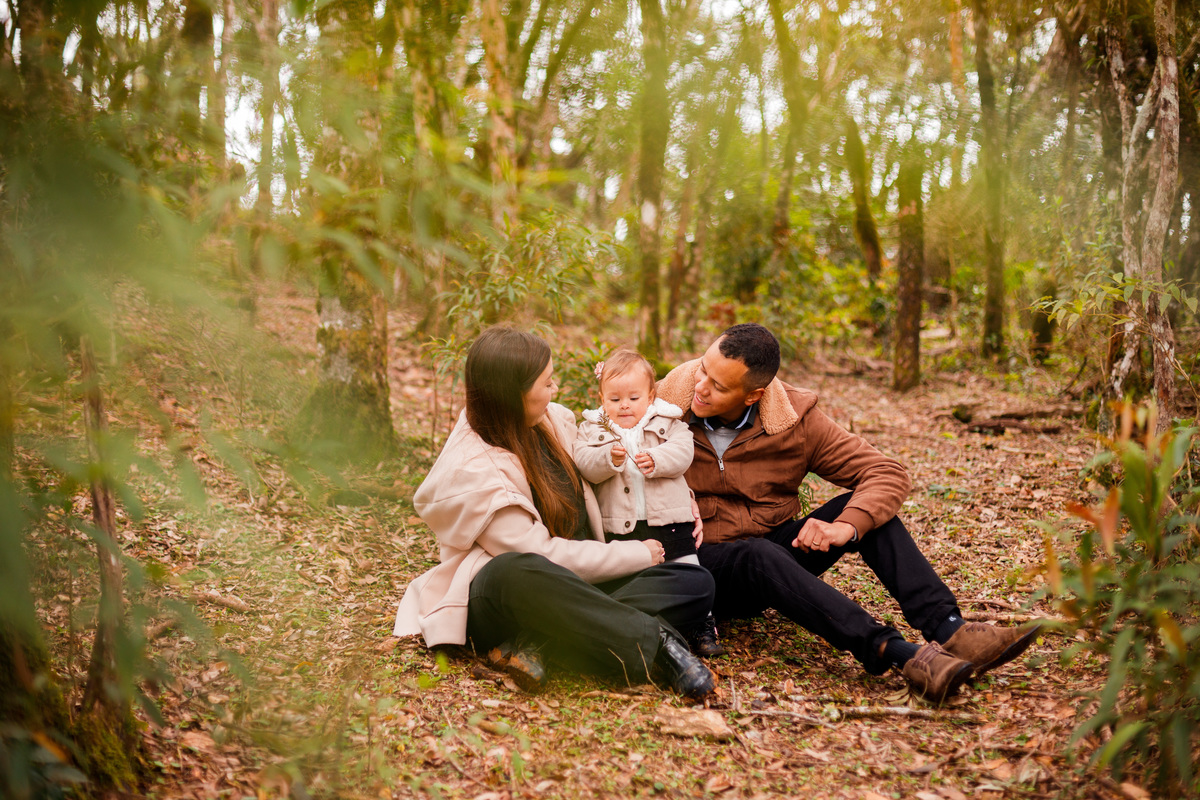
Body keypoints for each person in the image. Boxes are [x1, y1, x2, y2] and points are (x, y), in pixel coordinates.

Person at [656, 323, 1041, 703]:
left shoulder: (794, 421)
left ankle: (951, 630)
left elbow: (885, 472)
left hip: (774, 559)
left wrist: (846, 527)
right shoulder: (659, 409)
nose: (700, 386)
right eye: (702, 368)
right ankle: (897, 653)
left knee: (863, 513)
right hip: (697, 569)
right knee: (756, 554)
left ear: (754, 395)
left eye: (719, 386)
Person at [393, 327, 715, 698]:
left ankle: (539, 642)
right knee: (515, 570)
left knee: (697, 583)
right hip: (512, 594)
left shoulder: (551, 420)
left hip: (574, 585)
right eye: (547, 383)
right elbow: (543, 555)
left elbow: (610, 467)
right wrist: (637, 553)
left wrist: (680, 496)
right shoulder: (474, 469)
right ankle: (658, 643)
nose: (556, 389)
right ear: (513, 393)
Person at [571, 348, 725, 656]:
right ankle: (649, 624)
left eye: (633, 397)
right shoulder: (592, 429)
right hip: (620, 525)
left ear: (651, 396)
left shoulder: (667, 421)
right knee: (633, 578)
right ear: (602, 399)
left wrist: (657, 459)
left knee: (687, 567)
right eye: (614, 399)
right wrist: (607, 459)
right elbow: (583, 461)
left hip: (670, 519)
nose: (624, 405)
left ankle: (702, 624)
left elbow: (683, 451)